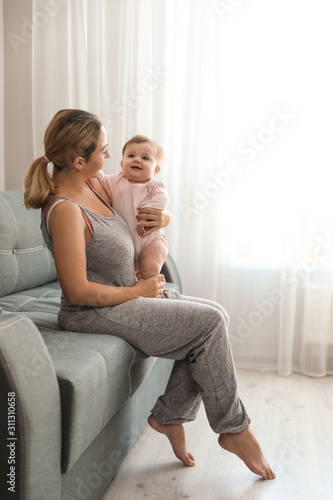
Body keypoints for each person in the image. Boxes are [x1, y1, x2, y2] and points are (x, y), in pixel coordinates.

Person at [23, 109, 275, 480]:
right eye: (103, 151)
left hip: (125, 298)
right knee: (208, 324)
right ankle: (233, 429)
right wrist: (138, 290)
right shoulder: (65, 210)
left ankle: (169, 416)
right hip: (91, 312)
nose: (109, 157)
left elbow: (141, 196)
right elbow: (76, 291)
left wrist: (165, 218)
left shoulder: (95, 185)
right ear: (79, 160)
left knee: (214, 314)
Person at [98, 135, 169, 279]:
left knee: (150, 270)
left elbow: (163, 198)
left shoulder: (153, 185)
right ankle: (139, 294)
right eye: (131, 155)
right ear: (122, 163)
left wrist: (148, 211)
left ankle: (152, 293)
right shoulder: (115, 181)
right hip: (126, 243)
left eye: (145, 158)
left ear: (156, 170)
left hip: (151, 239)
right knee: (129, 277)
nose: (137, 159)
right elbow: (99, 178)